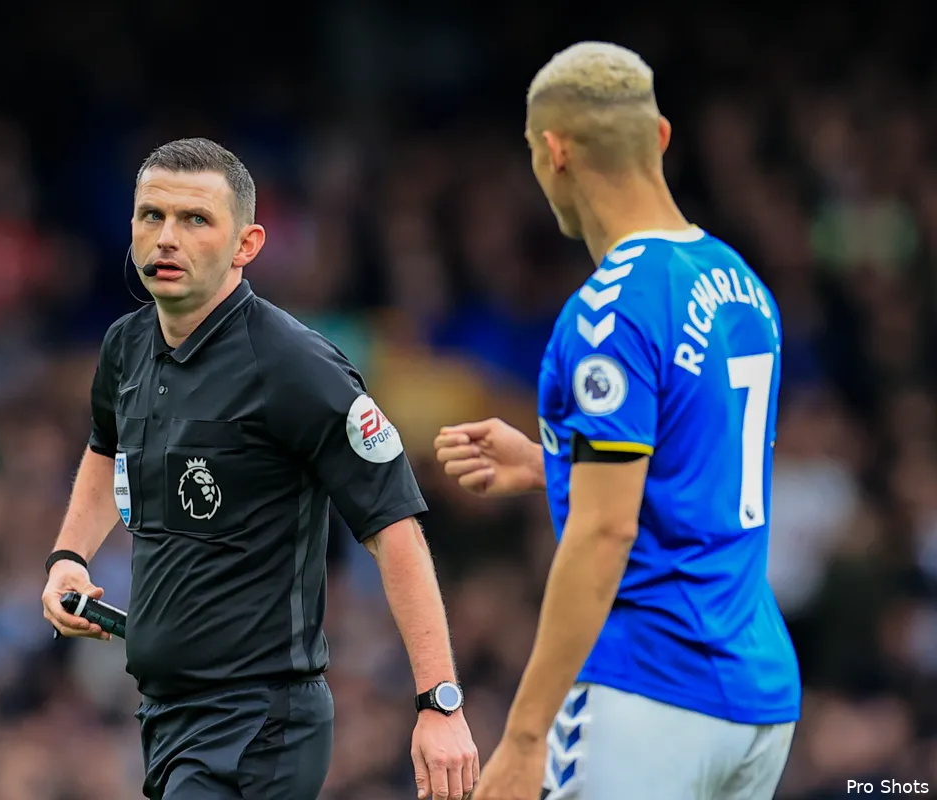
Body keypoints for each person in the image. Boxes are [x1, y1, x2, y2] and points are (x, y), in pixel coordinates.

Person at [40, 137, 477, 800]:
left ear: (246, 244)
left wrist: (438, 703)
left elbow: (395, 527)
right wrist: (70, 556)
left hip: (258, 724)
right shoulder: (125, 347)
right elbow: (107, 448)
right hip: (167, 717)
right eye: (152, 215)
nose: (167, 237)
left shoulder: (294, 366)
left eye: (195, 219)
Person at [433, 42, 800, 800]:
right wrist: (548, 463)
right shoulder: (741, 282)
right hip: (759, 698)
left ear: (554, 152)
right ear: (659, 136)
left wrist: (526, 733)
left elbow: (607, 530)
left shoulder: (609, 312)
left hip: (649, 689)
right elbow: (696, 467)